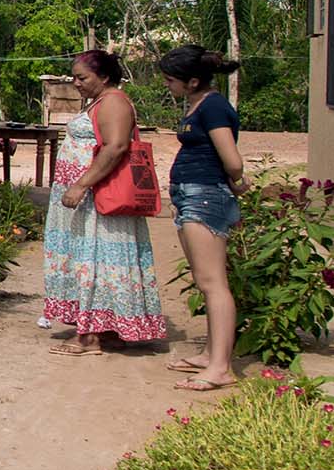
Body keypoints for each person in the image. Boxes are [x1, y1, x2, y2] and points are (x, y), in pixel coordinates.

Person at [44, 50, 168, 355]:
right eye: (74, 77)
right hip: (88, 200)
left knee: (97, 260)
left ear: (105, 77)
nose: (76, 83)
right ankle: (106, 329)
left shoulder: (113, 102)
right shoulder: (101, 102)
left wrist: (81, 184)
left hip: (96, 197)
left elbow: (116, 147)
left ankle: (92, 336)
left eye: (82, 77)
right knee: (94, 260)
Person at [160, 44, 247, 391]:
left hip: (205, 196)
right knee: (205, 279)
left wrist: (236, 183)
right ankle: (211, 353)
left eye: (171, 80)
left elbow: (233, 160)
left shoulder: (213, 108)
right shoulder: (201, 104)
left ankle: (220, 367)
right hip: (190, 194)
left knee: (213, 283)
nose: (168, 85)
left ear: (193, 81)